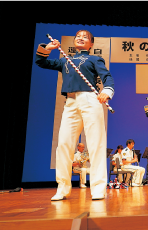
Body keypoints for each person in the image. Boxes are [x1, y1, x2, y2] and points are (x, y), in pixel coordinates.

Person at [35, 30, 114, 201]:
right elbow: (41, 62)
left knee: (96, 143)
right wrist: (47, 48)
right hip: (70, 102)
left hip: (90, 99)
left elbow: (106, 77)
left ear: (91, 44)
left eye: (85, 37)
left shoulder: (94, 59)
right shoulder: (64, 59)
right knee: (63, 144)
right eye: (78, 36)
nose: (81, 38)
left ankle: (98, 188)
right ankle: (62, 188)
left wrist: (107, 91)